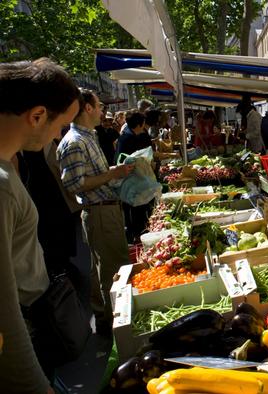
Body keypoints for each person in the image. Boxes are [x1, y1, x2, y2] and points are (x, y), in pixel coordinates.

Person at [0, 58, 80, 394]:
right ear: (37, 115)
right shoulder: (1, 185)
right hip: (21, 334)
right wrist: (35, 384)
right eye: (61, 125)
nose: (59, 136)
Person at [57, 88, 134, 338]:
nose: (103, 110)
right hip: (99, 212)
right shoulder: (75, 141)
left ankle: (106, 319)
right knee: (113, 270)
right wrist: (112, 174)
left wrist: (116, 171)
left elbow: (92, 175)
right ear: (88, 108)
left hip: (105, 210)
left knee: (105, 267)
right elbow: (75, 183)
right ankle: (116, 327)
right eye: (99, 105)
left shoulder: (87, 137)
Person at [116, 111, 153, 243]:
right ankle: (136, 237)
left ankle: (138, 234)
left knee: (138, 209)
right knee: (134, 211)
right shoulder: (129, 139)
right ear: (139, 124)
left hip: (135, 180)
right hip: (131, 181)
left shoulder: (128, 136)